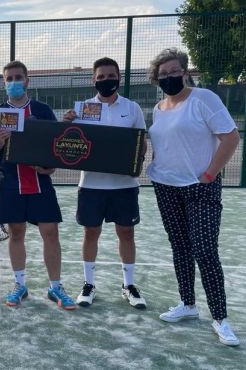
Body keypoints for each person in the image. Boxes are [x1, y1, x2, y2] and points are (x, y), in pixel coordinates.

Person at [147, 48, 240, 346]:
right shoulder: (158, 108)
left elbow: (231, 136)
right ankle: (188, 304)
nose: (169, 77)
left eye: (174, 71)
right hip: (165, 186)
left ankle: (221, 318)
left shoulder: (204, 99)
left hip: (201, 187)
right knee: (180, 247)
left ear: (185, 72)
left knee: (204, 250)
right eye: (163, 74)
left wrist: (210, 174)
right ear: (156, 78)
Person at [0, 60, 75, 309]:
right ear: (4, 82)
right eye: (9, 78)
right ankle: (19, 285)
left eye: (18, 77)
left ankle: (55, 287)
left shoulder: (42, 110)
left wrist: (49, 167)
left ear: (27, 80)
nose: (14, 82)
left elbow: (54, 148)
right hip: (10, 183)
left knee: (51, 233)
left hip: (40, 183)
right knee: (16, 233)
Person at [63, 57, 147, 309]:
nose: (106, 80)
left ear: (119, 78)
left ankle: (128, 285)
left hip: (124, 185)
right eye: (101, 77)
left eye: (111, 76)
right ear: (93, 80)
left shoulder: (132, 108)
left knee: (126, 233)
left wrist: (137, 165)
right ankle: (88, 285)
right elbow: (70, 141)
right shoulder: (82, 109)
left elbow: (140, 141)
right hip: (91, 185)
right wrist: (66, 123)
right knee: (91, 233)